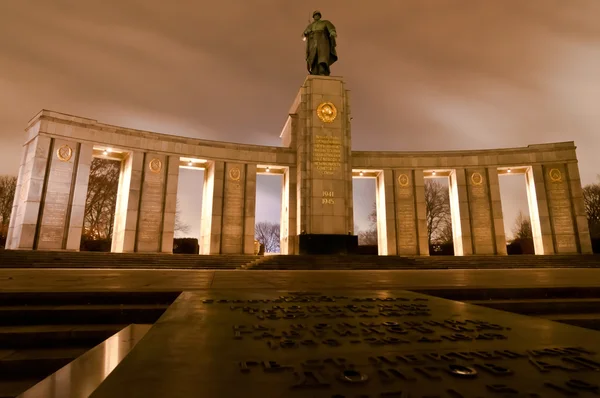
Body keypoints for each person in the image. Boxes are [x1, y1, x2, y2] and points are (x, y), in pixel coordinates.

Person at [303, 11, 338, 76]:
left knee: (322, 56)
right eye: (315, 15)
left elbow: (331, 28)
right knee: (313, 57)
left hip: (323, 40)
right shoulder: (310, 25)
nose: (316, 16)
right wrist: (305, 33)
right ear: (313, 17)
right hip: (313, 42)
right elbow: (304, 34)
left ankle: (322, 70)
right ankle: (314, 71)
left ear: (320, 16)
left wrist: (332, 32)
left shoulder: (325, 22)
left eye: (318, 15)